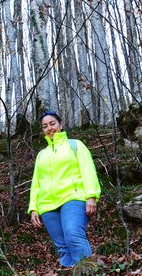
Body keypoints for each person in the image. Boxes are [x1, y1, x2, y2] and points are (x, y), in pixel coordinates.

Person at [28, 111, 101, 267]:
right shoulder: (41, 154)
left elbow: (88, 170)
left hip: (73, 197)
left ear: (60, 124)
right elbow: (36, 183)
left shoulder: (75, 145)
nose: (49, 128)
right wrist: (33, 208)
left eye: (52, 123)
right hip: (47, 204)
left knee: (73, 235)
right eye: (45, 126)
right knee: (62, 246)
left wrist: (91, 196)